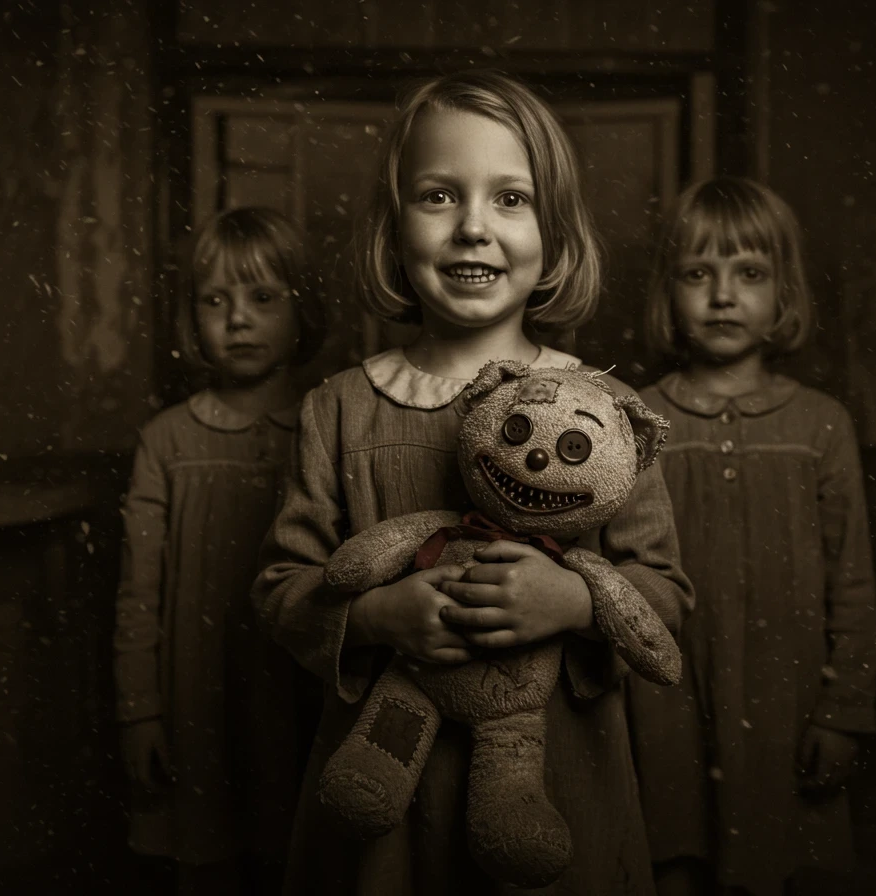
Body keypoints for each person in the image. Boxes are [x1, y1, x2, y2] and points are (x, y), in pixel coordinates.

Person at [251, 69, 693, 895]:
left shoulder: (609, 412)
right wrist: (379, 614)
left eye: (511, 199)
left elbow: (663, 594)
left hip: (557, 775)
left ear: (556, 237)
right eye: (438, 195)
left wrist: (574, 601)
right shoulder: (338, 409)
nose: (472, 228)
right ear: (392, 230)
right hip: (387, 793)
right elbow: (281, 589)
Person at [628, 177, 876, 896]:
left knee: (785, 867)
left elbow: (853, 584)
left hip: (789, 701)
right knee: (671, 856)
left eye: (750, 274)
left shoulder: (821, 426)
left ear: (784, 294)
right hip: (667, 702)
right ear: (669, 293)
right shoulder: (635, 421)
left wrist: (844, 713)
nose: (722, 295)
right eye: (698, 273)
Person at [114, 207, 325, 894]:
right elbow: (138, 593)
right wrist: (139, 709)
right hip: (198, 693)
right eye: (215, 300)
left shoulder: (330, 424)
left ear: (302, 310)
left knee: (300, 851)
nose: (237, 319)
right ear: (192, 318)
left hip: (299, 688)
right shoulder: (167, 441)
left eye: (263, 298)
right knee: (211, 861)